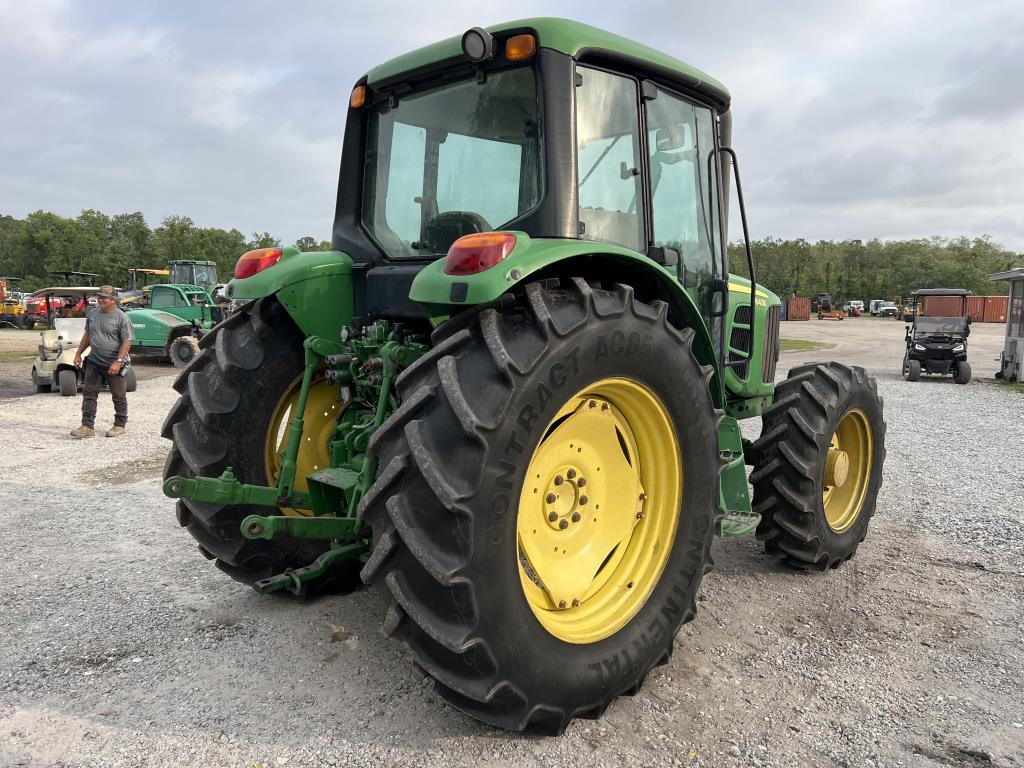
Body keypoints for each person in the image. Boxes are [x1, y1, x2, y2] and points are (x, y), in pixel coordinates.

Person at [70, 285, 134, 438]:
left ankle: (119, 425)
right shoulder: (93, 314)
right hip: (94, 361)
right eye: (99, 297)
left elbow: (127, 341)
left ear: (113, 300)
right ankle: (87, 427)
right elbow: (88, 335)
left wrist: (118, 361)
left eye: (104, 297)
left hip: (114, 363)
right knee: (89, 393)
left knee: (118, 395)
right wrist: (78, 353)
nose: (100, 300)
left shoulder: (121, 317)